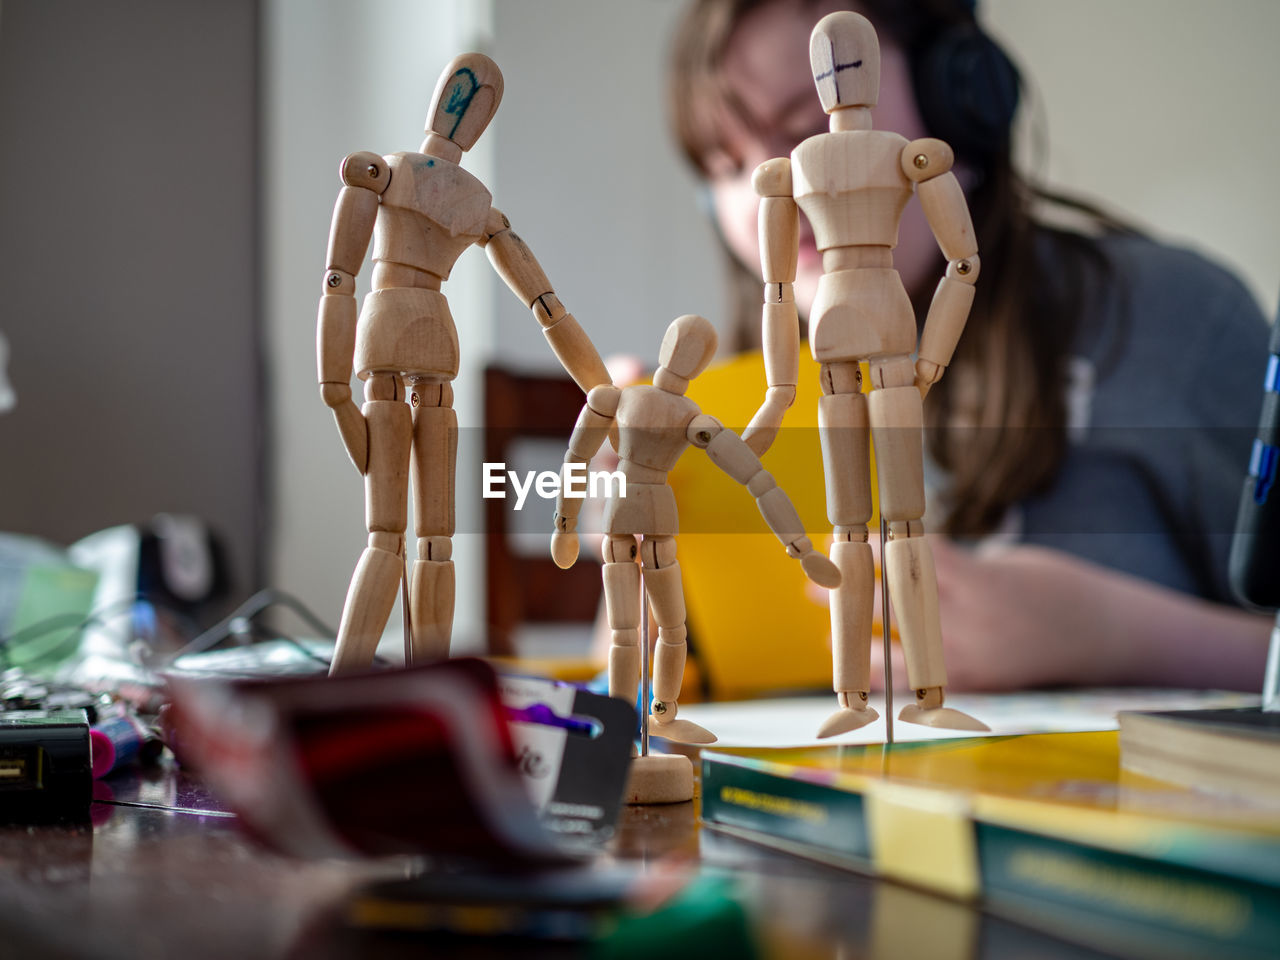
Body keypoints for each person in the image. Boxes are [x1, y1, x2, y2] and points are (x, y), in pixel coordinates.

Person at [663, 0, 1273, 692]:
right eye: (722, 165)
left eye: (805, 129)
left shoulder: (1172, 317)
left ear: (960, 105)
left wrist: (1108, 634)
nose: (760, 194)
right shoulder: (755, 393)